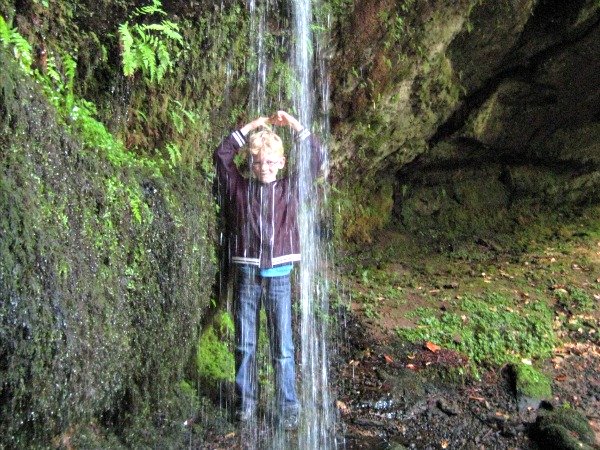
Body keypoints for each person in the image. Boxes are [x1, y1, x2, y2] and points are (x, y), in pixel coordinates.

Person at [214, 110, 323, 431]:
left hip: (279, 277)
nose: (265, 167)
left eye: (271, 162)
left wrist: (294, 125)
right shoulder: (239, 189)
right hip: (247, 275)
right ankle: (245, 401)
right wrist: (250, 127)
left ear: (283, 162)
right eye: (259, 162)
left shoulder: (292, 189)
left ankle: (288, 405)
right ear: (251, 163)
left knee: (283, 348)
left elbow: (316, 158)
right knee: (245, 343)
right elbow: (221, 157)